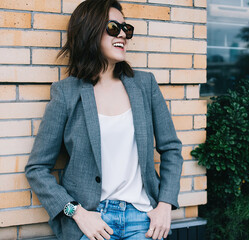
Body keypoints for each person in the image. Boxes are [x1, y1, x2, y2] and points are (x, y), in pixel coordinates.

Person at [24, 0, 183, 239]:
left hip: (142, 219)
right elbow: (37, 169)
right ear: (90, 32)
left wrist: (165, 205)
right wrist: (77, 213)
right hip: (92, 221)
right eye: (113, 28)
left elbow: (171, 148)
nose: (123, 35)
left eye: (126, 29)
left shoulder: (145, 84)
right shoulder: (66, 93)